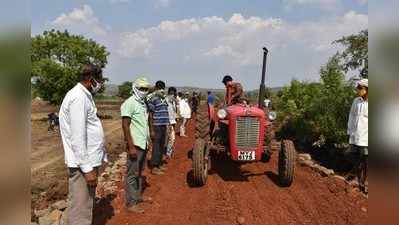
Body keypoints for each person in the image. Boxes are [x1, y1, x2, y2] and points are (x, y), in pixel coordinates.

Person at [59, 64, 107, 225]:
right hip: (82, 165)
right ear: (90, 78)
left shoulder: (84, 95)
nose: (99, 83)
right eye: (98, 79)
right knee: (80, 209)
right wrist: (87, 169)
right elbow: (77, 137)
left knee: (85, 205)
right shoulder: (78, 97)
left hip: (87, 161)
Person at [121, 77, 152, 213]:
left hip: (143, 142)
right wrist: (131, 146)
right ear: (135, 88)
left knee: (139, 172)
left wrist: (148, 140)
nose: (144, 91)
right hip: (135, 144)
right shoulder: (130, 103)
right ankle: (131, 203)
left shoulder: (143, 103)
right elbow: (125, 125)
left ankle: (137, 196)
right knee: (132, 174)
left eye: (146, 89)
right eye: (141, 89)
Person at [347, 78, 368, 193]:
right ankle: (360, 182)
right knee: (357, 159)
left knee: (366, 161)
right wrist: (349, 131)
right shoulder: (356, 101)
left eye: (360, 88)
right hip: (355, 135)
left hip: (366, 137)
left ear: (367, 89)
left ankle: (365, 182)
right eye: (358, 87)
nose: (358, 90)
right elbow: (351, 116)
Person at [147, 80, 169, 175]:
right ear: (156, 88)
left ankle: (159, 164)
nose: (161, 90)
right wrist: (151, 130)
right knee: (156, 146)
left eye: (163, 88)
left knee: (161, 145)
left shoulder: (163, 99)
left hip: (163, 125)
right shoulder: (153, 99)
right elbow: (150, 115)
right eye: (160, 88)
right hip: (156, 126)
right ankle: (154, 167)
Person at [166, 87, 177, 158]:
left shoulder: (173, 102)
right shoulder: (165, 101)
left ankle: (168, 152)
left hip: (173, 122)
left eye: (173, 94)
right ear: (169, 93)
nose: (172, 95)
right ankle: (168, 153)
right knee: (170, 138)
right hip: (167, 122)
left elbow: (174, 111)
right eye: (171, 93)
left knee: (172, 138)